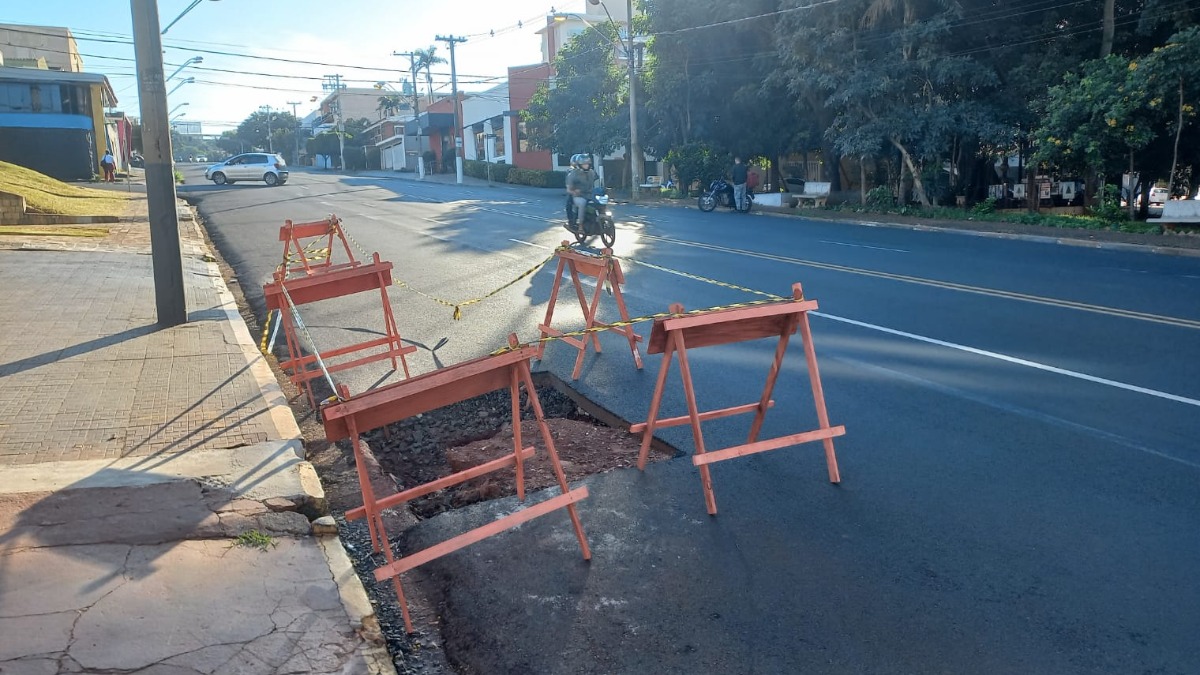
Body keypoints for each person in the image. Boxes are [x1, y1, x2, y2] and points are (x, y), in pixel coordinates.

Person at [566, 153, 599, 230]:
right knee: (582, 204)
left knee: (600, 203)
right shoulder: (573, 174)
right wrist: (574, 191)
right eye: (584, 164)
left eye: (587, 164)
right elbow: (569, 189)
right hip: (579, 196)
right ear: (579, 164)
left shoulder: (592, 172)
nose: (586, 165)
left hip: (591, 194)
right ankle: (580, 225)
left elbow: (597, 181)